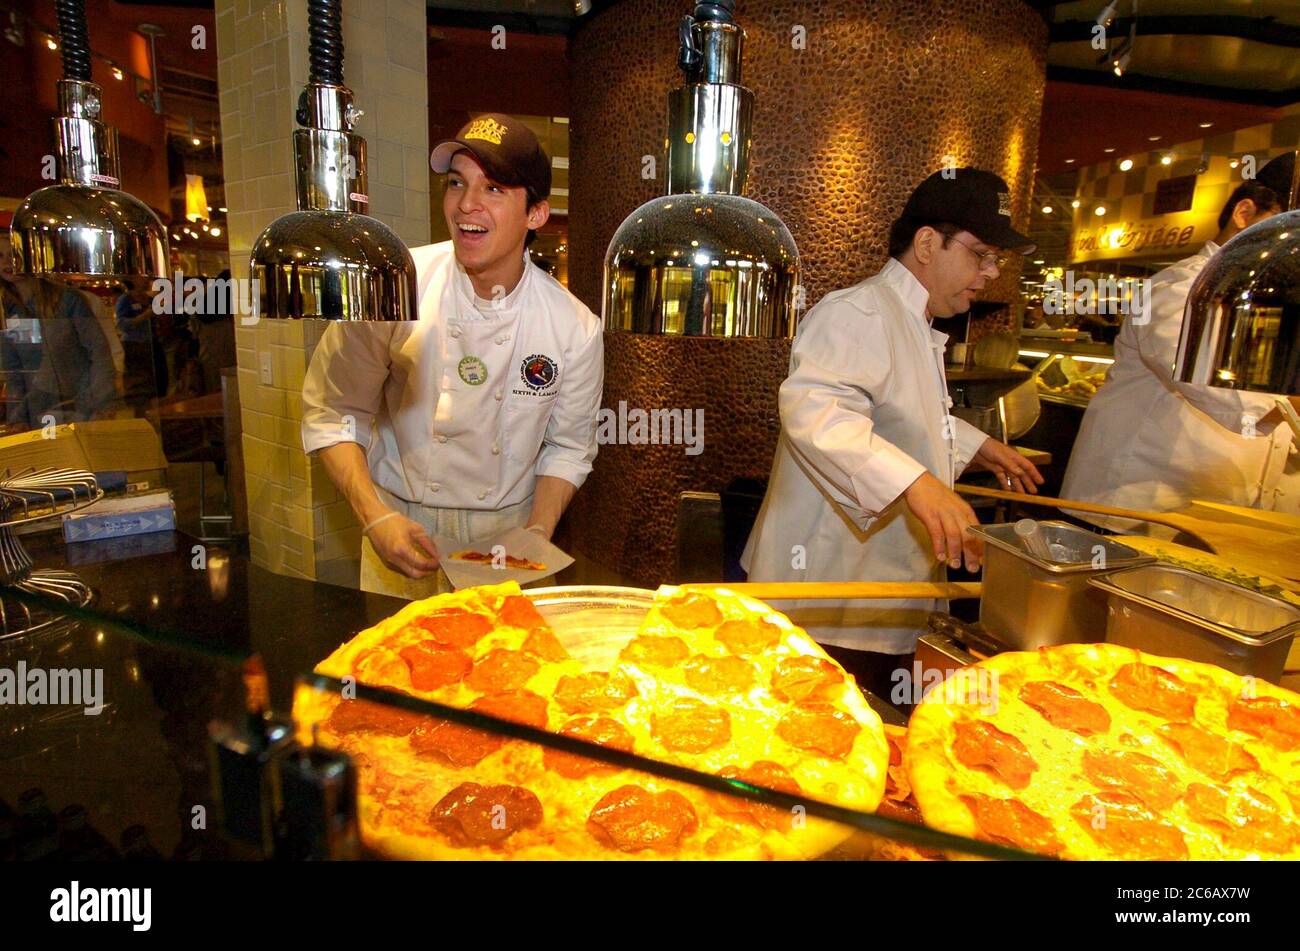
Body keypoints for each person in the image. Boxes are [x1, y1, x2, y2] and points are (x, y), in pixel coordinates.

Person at [742, 168, 1044, 697]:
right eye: (981, 254)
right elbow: (819, 413)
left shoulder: (913, 321)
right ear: (927, 243)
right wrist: (917, 484)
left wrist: (980, 447)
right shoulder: (858, 312)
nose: (992, 272)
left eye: (996, 259)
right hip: (830, 598)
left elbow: (900, 414)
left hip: (876, 592)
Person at [302, 114, 603, 597]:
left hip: (507, 536)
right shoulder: (395, 286)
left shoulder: (574, 327)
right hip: (400, 525)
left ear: (536, 214)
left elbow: (568, 447)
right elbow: (334, 412)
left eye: (493, 189)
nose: (466, 204)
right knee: (392, 667)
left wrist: (538, 532)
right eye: (457, 183)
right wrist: (374, 516)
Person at [1061, 152, 1299, 532]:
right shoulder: (1182, 288)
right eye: (1287, 232)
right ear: (1244, 213)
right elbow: (1204, 380)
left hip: (1222, 520)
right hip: (1135, 509)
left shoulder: (1279, 299)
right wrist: (1288, 408)